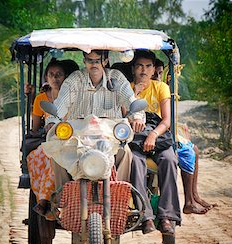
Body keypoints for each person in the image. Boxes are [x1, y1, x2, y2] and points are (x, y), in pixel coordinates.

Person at [45, 50, 145, 204]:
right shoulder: (74, 80)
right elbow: (60, 105)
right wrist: (52, 119)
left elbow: (130, 101)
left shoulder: (116, 78)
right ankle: (62, 201)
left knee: (125, 152)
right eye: (90, 61)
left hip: (109, 135)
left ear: (105, 61)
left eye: (97, 61)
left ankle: (119, 198)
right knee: (57, 154)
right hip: (79, 135)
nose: (93, 65)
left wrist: (137, 117)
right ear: (84, 61)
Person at [152, 59, 217, 214]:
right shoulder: (140, 89)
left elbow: (168, 118)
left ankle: (193, 195)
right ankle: (189, 200)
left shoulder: (161, 89)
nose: (157, 76)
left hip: (162, 131)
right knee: (188, 151)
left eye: (160, 73)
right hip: (153, 133)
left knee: (194, 149)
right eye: (156, 73)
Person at [129, 50, 182, 235]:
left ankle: (167, 216)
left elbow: (167, 120)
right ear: (134, 69)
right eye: (139, 66)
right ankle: (146, 217)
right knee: (134, 161)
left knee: (170, 160)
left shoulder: (160, 87)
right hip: (134, 137)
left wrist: (153, 135)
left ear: (153, 69)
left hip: (158, 134)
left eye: (148, 66)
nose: (144, 70)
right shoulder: (126, 88)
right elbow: (121, 118)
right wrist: (133, 94)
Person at [27, 59, 78, 219]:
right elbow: (35, 128)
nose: (55, 78)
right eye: (51, 75)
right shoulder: (41, 99)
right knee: (47, 156)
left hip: (74, 139)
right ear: (46, 78)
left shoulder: (75, 96)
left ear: (65, 77)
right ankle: (45, 200)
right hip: (50, 141)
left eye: (59, 75)